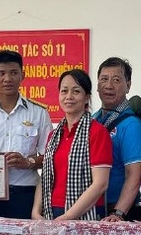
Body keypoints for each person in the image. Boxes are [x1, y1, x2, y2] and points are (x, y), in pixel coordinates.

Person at [0, 49, 52, 219]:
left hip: (26, 194)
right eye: (1, 73)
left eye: (13, 73)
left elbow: (50, 156)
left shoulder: (39, 113)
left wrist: (28, 162)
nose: (7, 79)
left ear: (23, 75)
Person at [32, 69, 112, 220]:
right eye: (64, 91)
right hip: (52, 213)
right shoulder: (54, 135)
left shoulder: (97, 132)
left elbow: (101, 184)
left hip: (84, 214)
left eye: (76, 91)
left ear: (87, 97)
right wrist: (36, 212)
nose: (69, 96)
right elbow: (45, 179)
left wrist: (67, 217)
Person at [92, 57, 141, 221]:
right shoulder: (93, 120)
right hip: (93, 209)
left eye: (116, 80)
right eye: (104, 79)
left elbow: (134, 176)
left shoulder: (132, 125)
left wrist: (119, 213)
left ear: (128, 85)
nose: (108, 85)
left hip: (119, 212)